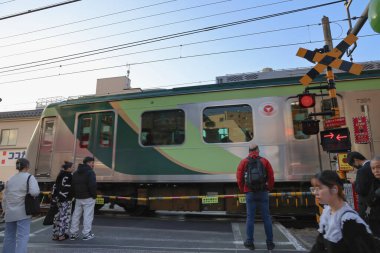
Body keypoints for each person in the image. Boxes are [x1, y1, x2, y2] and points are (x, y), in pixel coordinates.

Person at [310, 170, 377, 253]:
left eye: (319, 188)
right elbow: (319, 246)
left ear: (334, 189)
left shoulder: (349, 220)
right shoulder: (327, 214)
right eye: (314, 189)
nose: (315, 193)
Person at [236, 143, 275, 251]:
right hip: (263, 192)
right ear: (258, 150)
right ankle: (270, 243)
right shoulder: (265, 161)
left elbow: (239, 178)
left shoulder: (244, 162)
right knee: (266, 217)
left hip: (250, 192)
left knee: (250, 218)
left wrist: (243, 189)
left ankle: (249, 242)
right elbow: (271, 177)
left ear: (249, 151)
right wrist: (269, 188)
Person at [2, 158, 40, 253]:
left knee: (9, 236)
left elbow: (5, 196)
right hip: (23, 211)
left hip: (10, 212)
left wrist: (5, 209)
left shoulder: (10, 178)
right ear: (27, 166)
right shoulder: (29, 177)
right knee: (22, 236)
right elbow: (34, 192)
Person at [69, 156, 97, 241]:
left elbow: (72, 186)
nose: (93, 165)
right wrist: (94, 195)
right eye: (92, 163)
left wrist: (74, 195)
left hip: (78, 197)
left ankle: (73, 234)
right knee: (87, 216)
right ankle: (86, 234)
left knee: (76, 215)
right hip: (88, 198)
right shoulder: (90, 172)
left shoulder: (76, 173)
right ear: (88, 163)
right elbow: (92, 185)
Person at [346, 151, 375, 219]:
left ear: (356, 160)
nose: (354, 167)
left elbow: (361, 190)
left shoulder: (362, 170)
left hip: (367, 206)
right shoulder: (374, 165)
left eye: (353, 164)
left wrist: (355, 182)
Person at [52, 161, 74, 241]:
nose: (73, 168)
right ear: (68, 168)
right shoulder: (69, 176)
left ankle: (55, 235)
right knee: (64, 217)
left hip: (57, 198)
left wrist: (55, 197)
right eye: (72, 167)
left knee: (57, 217)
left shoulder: (60, 174)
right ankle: (62, 235)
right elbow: (68, 188)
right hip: (65, 199)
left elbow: (55, 186)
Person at [367, 156, 380, 238]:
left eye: (379, 167)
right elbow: (370, 201)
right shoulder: (374, 182)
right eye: (373, 168)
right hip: (375, 222)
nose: (376, 171)